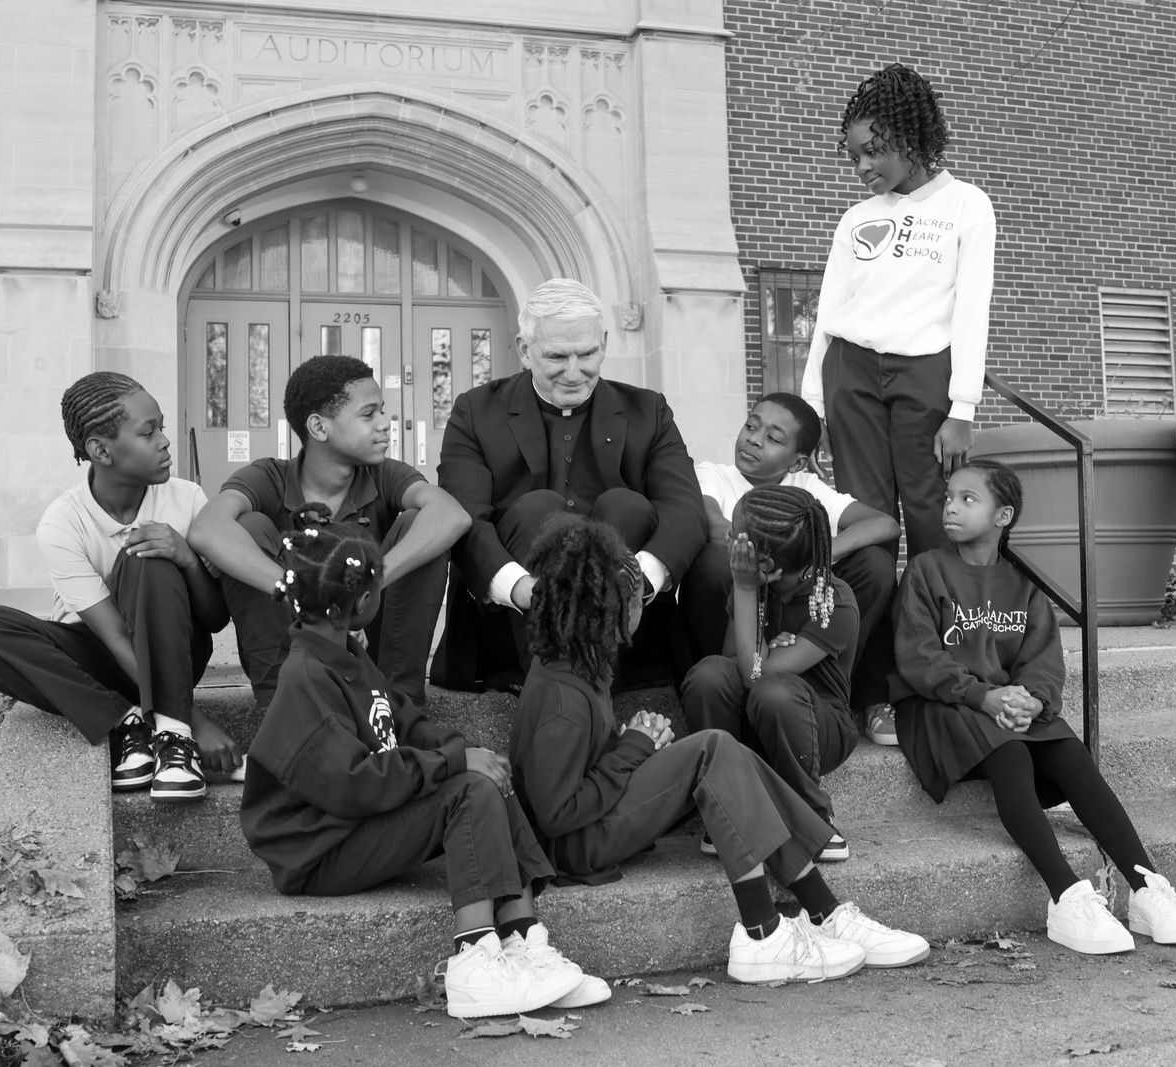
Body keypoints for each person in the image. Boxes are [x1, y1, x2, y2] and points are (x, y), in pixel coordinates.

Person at [508, 518, 930, 982]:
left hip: (593, 819)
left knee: (725, 752)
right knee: (713, 749)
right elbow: (556, 814)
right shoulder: (563, 697)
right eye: (637, 598)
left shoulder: (579, 664)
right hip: (576, 844)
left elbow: (580, 764)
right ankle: (763, 930)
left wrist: (629, 742)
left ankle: (825, 912)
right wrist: (632, 748)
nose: (642, 607)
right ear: (610, 609)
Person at [238, 512, 610, 1019]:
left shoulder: (345, 652)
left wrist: (458, 749)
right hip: (318, 850)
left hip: (352, 823)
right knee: (468, 789)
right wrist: (453, 762)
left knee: (488, 778)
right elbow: (354, 786)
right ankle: (474, 962)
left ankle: (525, 942)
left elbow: (403, 719)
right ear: (364, 603)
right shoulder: (304, 677)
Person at [891, 460, 1176, 955]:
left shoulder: (1023, 579)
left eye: (968, 499)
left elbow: (1042, 659)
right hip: (943, 706)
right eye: (949, 497)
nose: (951, 506)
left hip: (1006, 706)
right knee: (1012, 755)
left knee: (1069, 752)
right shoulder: (927, 569)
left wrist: (1033, 700)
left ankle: (1147, 888)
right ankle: (1066, 894)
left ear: (1003, 516)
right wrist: (984, 696)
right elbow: (918, 655)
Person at [800, 64, 998, 741]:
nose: (861, 166)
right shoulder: (856, 220)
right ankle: (876, 689)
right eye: (853, 154)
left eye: (873, 149)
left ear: (912, 136)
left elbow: (972, 310)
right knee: (870, 531)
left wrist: (963, 405)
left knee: (936, 525)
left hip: (926, 376)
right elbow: (828, 315)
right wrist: (809, 409)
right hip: (851, 373)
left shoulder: (966, 206)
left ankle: (955, 677)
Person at [0, 372, 237, 801]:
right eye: (149, 432)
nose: (164, 441)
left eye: (161, 426)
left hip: (174, 652)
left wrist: (186, 558)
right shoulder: (63, 522)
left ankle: (172, 737)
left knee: (151, 558)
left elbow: (216, 619)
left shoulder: (187, 499)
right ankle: (125, 722)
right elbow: (114, 636)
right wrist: (198, 721)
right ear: (100, 450)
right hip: (98, 659)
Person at [434, 277, 706, 692]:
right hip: (513, 629)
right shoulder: (475, 411)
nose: (575, 373)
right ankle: (561, 691)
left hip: (628, 635)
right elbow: (464, 519)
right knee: (536, 508)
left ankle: (582, 691)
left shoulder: (648, 410)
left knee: (626, 506)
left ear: (605, 343)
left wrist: (637, 583)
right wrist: (525, 590)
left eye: (588, 353)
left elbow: (684, 510)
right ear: (525, 351)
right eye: (557, 356)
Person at [189, 356, 468, 710]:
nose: (386, 424)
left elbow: (451, 515)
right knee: (248, 526)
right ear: (319, 428)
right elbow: (206, 528)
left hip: (372, 639)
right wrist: (303, 593)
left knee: (421, 524)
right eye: (369, 415)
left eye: (382, 411)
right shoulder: (268, 477)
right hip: (299, 649)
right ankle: (280, 706)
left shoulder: (386, 475)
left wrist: (370, 581)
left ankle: (400, 707)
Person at [678, 392, 902, 743]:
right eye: (751, 426)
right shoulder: (714, 475)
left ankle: (823, 673)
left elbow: (885, 525)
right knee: (713, 561)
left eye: (772, 437)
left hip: (790, 628)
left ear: (797, 464)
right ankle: (723, 687)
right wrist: (771, 562)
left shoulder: (807, 488)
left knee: (876, 563)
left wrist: (816, 555)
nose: (753, 438)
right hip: (745, 620)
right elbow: (712, 526)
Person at [680, 485, 859, 858]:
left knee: (773, 690)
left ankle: (811, 819)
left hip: (816, 727)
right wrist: (754, 618)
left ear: (764, 565)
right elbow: (735, 663)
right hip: (758, 713)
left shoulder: (833, 600)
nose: (728, 539)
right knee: (708, 675)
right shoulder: (751, 586)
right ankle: (728, 809)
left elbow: (757, 677)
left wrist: (748, 599)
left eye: (735, 535)